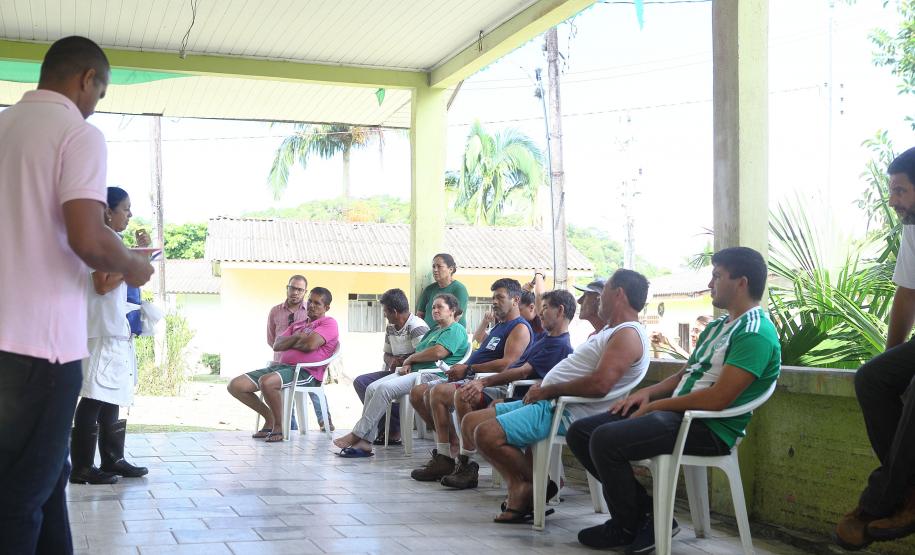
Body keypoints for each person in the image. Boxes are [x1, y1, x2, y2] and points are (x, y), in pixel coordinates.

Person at [0, 36, 154, 554]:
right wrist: (135, 264)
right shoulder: (78, 133)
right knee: (19, 498)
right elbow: (88, 239)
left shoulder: (3, 127)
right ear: (87, 78)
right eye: (99, 92)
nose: (95, 104)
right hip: (41, 351)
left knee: (45, 485)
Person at [566, 248, 780, 554]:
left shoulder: (756, 332)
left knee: (604, 439)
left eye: (717, 276)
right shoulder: (719, 327)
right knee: (581, 432)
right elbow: (686, 373)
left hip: (709, 428)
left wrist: (656, 406)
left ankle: (632, 523)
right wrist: (648, 394)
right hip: (678, 416)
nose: (710, 283)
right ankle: (644, 518)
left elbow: (718, 399)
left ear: (742, 282)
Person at [472, 272, 650, 521]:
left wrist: (548, 390)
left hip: (564, 409)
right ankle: (527, 487)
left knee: (486, 433)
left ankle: (531, 487)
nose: (586, 299)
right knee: (477, 425)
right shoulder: (610, 332)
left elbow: (600, 385)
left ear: (618, 294)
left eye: (601, 291)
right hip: (551, 402)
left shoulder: (627, 334)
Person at [836, 146, 915, 550]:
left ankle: (878, 502)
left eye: (900, 191)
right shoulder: (913, 229)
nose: (893, 201)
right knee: (871, 378)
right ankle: (908, 494)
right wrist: (890, 362)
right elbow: (907, 295)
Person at [449, 289, 578, 491]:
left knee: (478, 423)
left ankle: (532, 483)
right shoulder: (545, 338)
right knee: (470, 421)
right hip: (519, 395)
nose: (539, 312)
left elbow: (522, 372)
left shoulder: (559, 345)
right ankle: (526, 481)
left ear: (560, 311)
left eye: (544, 308)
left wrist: (483, 382)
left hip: (530, 400)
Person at [409, 278, 532, 483]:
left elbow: (508, 364)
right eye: (493, 297)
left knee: (451, 393)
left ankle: (467, 464)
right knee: (431, 392)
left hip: (496, 384)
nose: (494, 301)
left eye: (500, 297)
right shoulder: (499, 327)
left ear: (516, 299)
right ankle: (445, 457)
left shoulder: (519, 328)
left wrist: (469, 369)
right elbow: (477, 341)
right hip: (473, 377)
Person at [70, 187, 152, 486]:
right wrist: (133, 261)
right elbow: (102, 285)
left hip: (114, 329)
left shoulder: (112, 242)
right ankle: (81, 467)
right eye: (125, 209)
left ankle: (112, 459)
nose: (129, 215)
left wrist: (135, 256)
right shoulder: (99, 240)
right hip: (101, 331)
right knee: (94, 396)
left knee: (112, 394)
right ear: (108, 210)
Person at [333, 293, 468, 457]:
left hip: (432, 375)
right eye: (433, 307)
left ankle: (357, 434)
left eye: (440, 307)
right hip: (413, 371)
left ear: (452, 310)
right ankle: (366, 442)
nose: (435, 310)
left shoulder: (456, 329)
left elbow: (439, 352)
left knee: (383, 388)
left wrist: (410, 359)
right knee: (371, 388)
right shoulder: (434, 330)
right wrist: (409, 362)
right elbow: (419, 351)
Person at [228, 287, 339, 442]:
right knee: (235, 385)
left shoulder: (329, 323)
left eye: (317, 303)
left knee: (266, 382)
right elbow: (277, 344)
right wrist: (298, 337)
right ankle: (270, 418)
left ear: (326, 307)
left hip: (306, 372)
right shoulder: (298, 325)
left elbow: (310, 345)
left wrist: (293, 341)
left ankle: (279, 427)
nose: (312, 305)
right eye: (310, 301)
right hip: (281, 367)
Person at [352, 288, 429, 445]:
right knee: (361, 382)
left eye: (385, 311)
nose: (384, 315)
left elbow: (425, 356)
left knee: (377, 389)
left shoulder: (416, 326)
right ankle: (392, 425)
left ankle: (390, 430)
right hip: (395, 372)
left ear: (394, 311)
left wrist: (405, 361)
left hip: (411, 375)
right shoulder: (391, 327)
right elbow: (386, 354)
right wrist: (391, 359)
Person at [267, 275, 333, 432]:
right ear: (287, 288)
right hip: (281, 361)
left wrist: (291, 345)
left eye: (300, 289)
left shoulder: (311, 311)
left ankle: (324, 420)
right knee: (285, 393)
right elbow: (272, 340)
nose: (295, 292)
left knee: (313, 389)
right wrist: (294, 343)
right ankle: (291, 427)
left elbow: (311, 343)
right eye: (292, 288)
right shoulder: (275, 312)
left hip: (308, 365)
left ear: (305, 292)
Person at [416, 253, 469, 329]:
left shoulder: (459, 289)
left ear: (451, 269)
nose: (435, 270)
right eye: (433, 266)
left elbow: (457, 316)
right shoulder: (429, 289)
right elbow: (420, 314)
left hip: (450, 334)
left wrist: (439, 333)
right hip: (427, 335)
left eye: (439, 266)